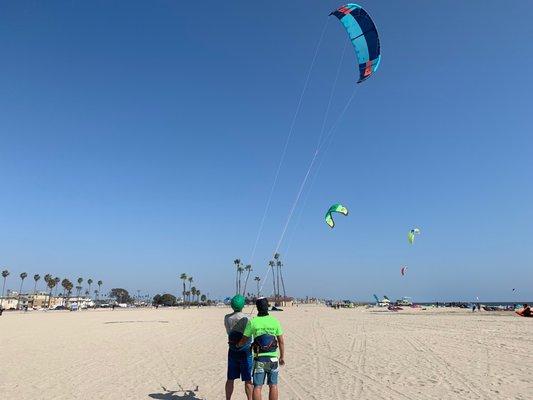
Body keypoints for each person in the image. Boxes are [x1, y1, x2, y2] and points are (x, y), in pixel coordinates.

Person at [238, 297, 285, 400]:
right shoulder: (274, 321)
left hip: (259, 359)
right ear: (267, 307)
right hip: (273, 358)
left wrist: (238, 345)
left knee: (257, 387)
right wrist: (281, 357)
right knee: (273, 385)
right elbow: (281, 341)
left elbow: (244, 339)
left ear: (257, 308)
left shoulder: (253, 322)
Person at [224, 295, 253, 400]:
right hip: (245, 351)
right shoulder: (249, 318)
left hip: (232, 350)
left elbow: (228, 332)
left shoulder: (227, 317)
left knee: (230, 378)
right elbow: (250, 335)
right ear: (242, 305)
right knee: (248, 379)